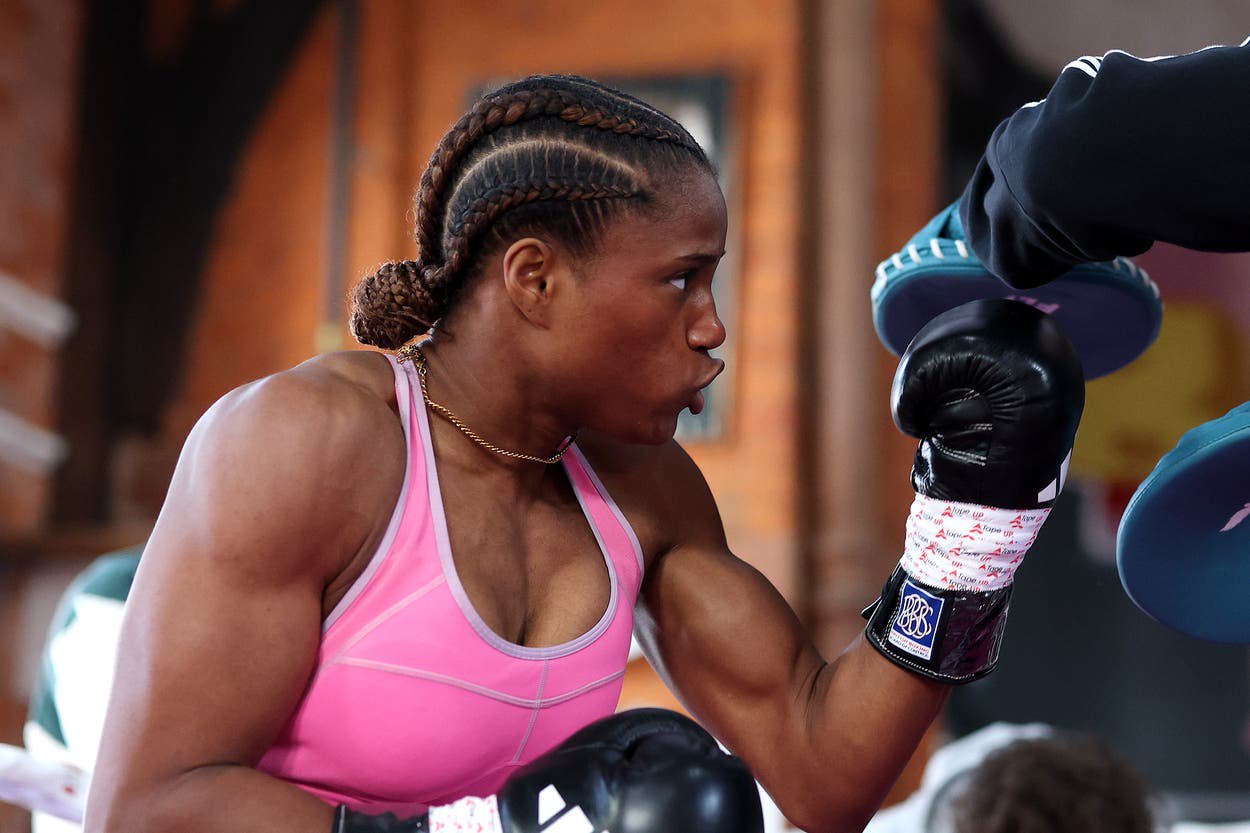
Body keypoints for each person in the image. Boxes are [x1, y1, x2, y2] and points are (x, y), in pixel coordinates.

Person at [82, 75, 1083, 833]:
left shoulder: (640, 488)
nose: (710, 329)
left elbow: (823, 770)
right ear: (534, 278)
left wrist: (967, 532)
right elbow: (148, 803)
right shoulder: (307, 444)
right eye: (680, 280)